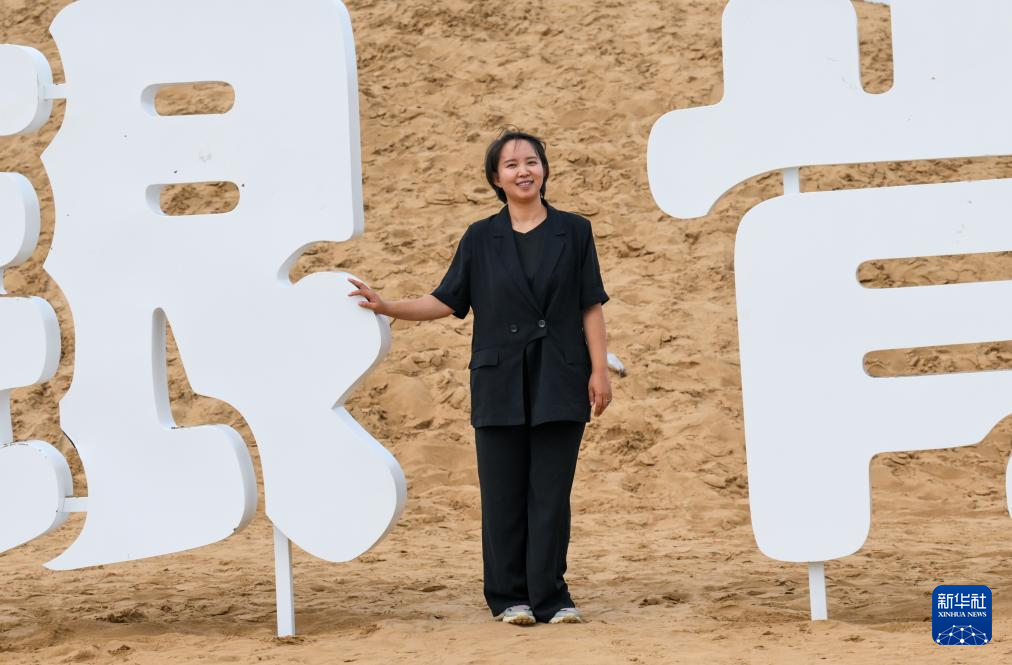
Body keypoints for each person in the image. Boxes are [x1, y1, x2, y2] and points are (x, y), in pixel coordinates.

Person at [348, 129, 611, 625]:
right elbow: (445, 300)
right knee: (503, 493)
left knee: (550, 494)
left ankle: (552, 597)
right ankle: (509, 598)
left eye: (531, 161)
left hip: (560, 374)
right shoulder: (479, 237)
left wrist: (599, 370)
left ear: (544, 169)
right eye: (511, 165)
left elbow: (589, 304)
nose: (523, 171)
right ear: (496, 178)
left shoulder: (575, 231)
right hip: (499, 379)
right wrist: (388, 306)